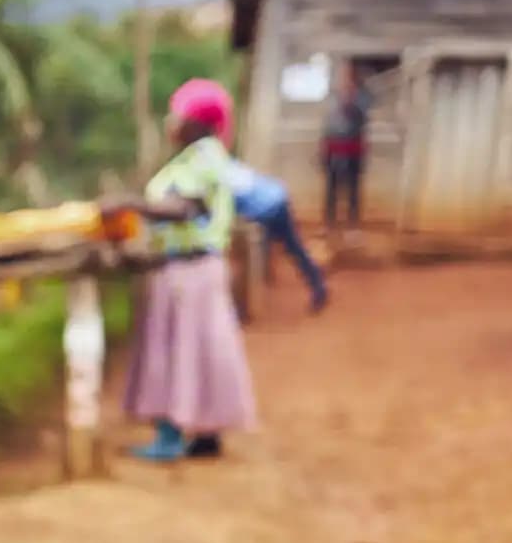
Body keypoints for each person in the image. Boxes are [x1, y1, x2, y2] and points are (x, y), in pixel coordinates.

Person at [116, 78, 258, 462]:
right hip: (197, 268)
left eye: (176, 113)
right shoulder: (202, 156)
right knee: (202, 348)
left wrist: (129, 204)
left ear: (198, 121)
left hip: (187, 269)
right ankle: (206, 435)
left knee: (175, 350)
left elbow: (184, 208)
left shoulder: (203, 158)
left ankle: (169, 436)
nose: (170, 121)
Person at [228, 157, 329, 313]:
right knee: (292, 247)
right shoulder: (226, 164)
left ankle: (246, 305)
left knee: (265, 252)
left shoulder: (217, 181)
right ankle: (318, 286)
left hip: (264, 208)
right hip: (275, 197)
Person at [321, 65, 371, 232]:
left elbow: (362, 120)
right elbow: (327, 125)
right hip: (334, 148)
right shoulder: (333, 98)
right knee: (331, 188)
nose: (345, 82)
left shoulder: (363, 98)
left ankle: (352, 225)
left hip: (353, 149)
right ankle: (329, 224)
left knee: (353, 188)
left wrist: (350, 101)